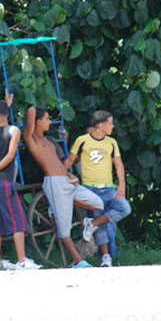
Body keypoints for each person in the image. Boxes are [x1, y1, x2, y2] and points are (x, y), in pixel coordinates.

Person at [23, 105, 105, 268]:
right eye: (46, 118)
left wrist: (69, 174)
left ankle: (65, 207)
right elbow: (30, 116)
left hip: (66, 181)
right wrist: (32, 109)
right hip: (54, 183)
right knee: (64, 229)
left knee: (98, 203)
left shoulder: (50, 141)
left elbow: (60, 162)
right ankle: (79, 261)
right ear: (38, 122)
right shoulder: (32, 139)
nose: (49, 121)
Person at [63, 110, 131, 267]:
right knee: (102, 226)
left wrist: (121, 184)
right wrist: (64, 174)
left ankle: (92, 223)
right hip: (90, 188)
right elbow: (71, 160)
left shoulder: (112, 142)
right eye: (110, 123)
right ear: (101, 125)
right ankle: (106, 257)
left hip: (109, 188)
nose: (113, 126)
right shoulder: (83, 140)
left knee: (124, 208)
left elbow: (118, 164)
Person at [0, 95, 41, 271]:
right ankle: (22, 260)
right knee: (17, 220)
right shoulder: (14, 131)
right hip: (4, 181)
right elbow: (9, 155)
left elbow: (0, 118)